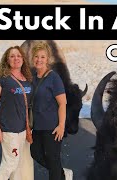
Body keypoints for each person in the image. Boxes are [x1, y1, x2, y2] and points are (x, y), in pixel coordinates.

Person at [29, 42, 73, 180]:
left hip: (52, 127)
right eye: (36, 56)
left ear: (47, 59)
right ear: (32, 58)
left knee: (52, 159)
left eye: (42, 57)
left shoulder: (54, 78)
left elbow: (62, 103)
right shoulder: (33, 78)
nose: (39, 60)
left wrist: (61, 126)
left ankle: (59, 174)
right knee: (35, 153)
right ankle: (63, 173)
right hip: (36, 127)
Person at [0, 46, 34, 180]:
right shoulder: (2, 78)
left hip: (23, 129)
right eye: (12, 56)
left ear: (23, 59)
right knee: (10, 163)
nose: (16, 58)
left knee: (19, 165)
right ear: (7, 60)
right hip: (9, 129)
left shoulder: (27, 79)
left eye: (19, 56)